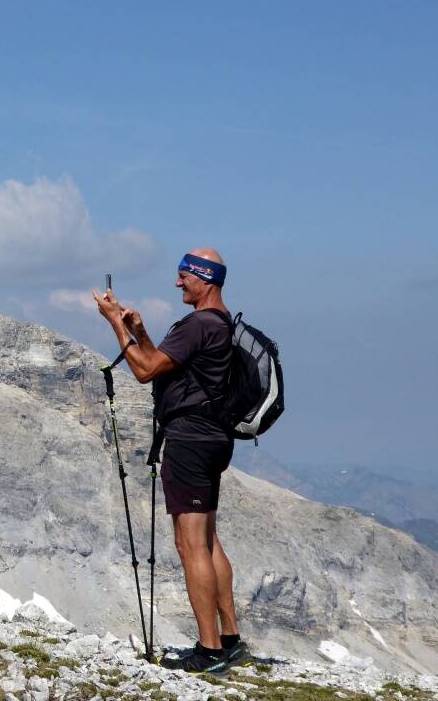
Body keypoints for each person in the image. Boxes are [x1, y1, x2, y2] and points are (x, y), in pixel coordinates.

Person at [92, 248, 247, 674]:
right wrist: (140, 332)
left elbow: (144, 372)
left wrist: (113, 323)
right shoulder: (220, 324)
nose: (178, 284)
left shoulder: (198, 325)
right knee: (209, 539)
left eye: (184, 277)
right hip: (214, 437)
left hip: (189, 441)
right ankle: (229, 637)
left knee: (189, 543)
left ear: (204, 278)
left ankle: (210, 649)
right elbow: (164, 365)